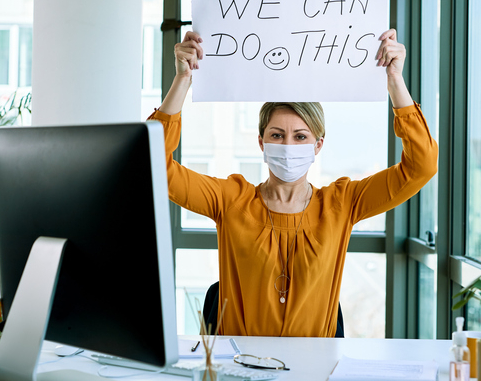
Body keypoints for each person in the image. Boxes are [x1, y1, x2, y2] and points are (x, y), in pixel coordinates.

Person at [148, 29, 438, 337]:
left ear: (318, 145)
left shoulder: (342, 203)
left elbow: (421, 166)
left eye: (301, 136)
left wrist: (395, 81)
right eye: (277, 135)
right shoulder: (231, 199)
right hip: (239, 367)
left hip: (315, 368)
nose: (288, 145)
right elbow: (152, 164)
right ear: (261, 142)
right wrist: (182, 81)